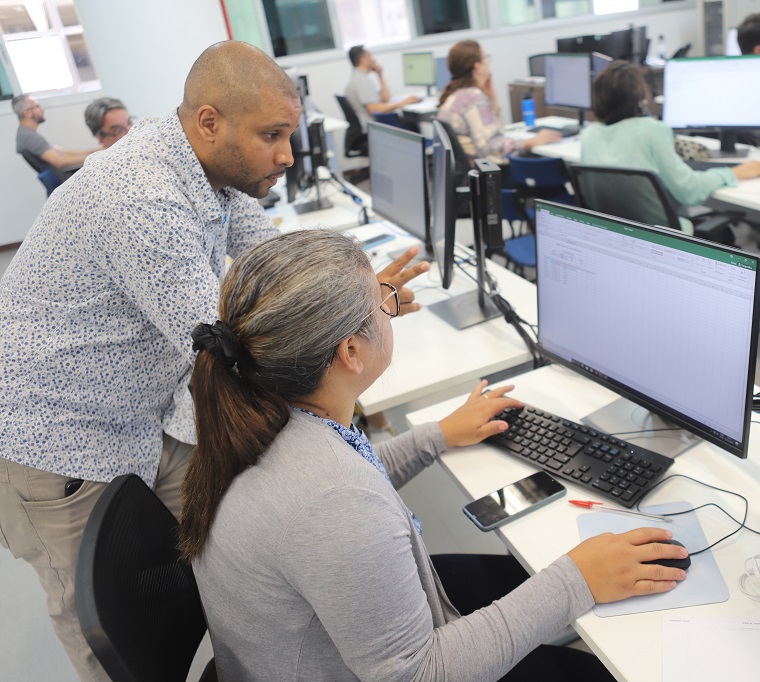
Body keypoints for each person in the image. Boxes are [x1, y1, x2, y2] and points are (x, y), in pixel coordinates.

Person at [0, 41, 428, 681]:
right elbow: (235, 352)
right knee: (109, 639)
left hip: (142, 417)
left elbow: (275, 260)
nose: (286, 154)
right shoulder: (141, 198)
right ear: (209, 123)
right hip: (57, 444)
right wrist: (357, 321)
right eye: (273, 135)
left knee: (235, 521)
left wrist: (354, 292)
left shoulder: (205, 170)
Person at [180, 228, 688, 681]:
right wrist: (576, 581)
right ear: (350, 353)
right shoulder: (331, 499)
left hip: (314, 647)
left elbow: (352, 475)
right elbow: (420, 672)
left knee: (530, 573)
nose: (393, 304)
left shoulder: (260, 406)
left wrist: (436, 435)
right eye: (381, 300)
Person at [579, 61, 760, 237]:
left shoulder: (588, 136)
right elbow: (689, 191)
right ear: (640, 99)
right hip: (663, 240)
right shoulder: (651, 130)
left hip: (616, 236)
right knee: (724, 235)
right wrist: (732, 173)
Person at [437, 40, 560, 164]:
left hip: (473, 172)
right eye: (486, 58)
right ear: (477, 67)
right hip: (487, 173)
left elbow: (497, 134)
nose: (488, 63)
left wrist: (492, 100)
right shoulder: (473, 98)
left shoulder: (458, 95)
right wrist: (531, 142)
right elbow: (493, 151)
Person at [12, 94, 99, 178]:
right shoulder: (29, 137)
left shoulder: (26, 134)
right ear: (27, 113)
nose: (42, 109)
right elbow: (60, 161)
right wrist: (96, 156)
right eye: (37, 106)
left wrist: (97, 151)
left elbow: (64, 152)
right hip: (68, 182)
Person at [344, 45, 420, 138]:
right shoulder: (361, 81)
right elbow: (375, 110)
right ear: (363, 59)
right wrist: (404, 102)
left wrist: (380, 75)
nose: (374, 60)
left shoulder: (359, 78)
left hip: (373, 125)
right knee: (411, 125)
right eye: (370, 56)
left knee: (408, 123)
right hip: (373, 129)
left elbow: (385, 100)